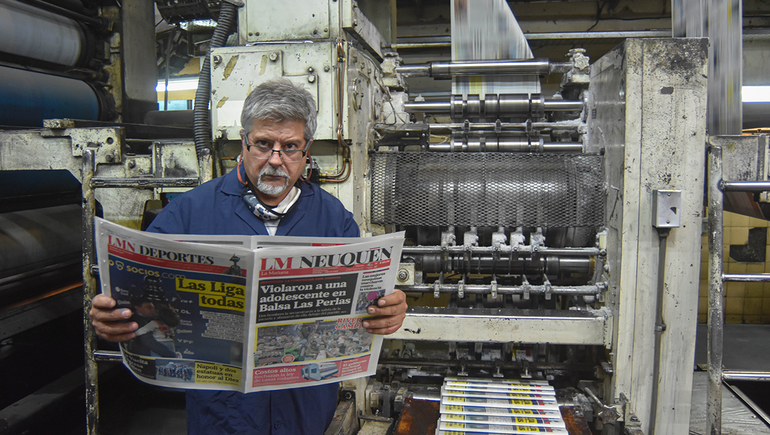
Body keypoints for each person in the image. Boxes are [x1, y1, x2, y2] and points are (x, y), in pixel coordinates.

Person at [89, 78, 408, 435]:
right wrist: (113, 318)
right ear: (243, 142)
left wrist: (389, 310)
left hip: (304, 413)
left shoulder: (334, 219)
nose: (275, 160)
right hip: (224, 417)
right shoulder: (190, 213)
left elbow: (371, 302)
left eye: (290, 147)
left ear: (307, 151)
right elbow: (136, 297)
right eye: (263, 145)